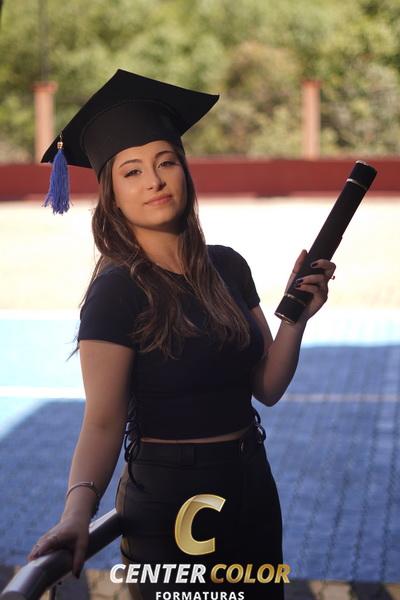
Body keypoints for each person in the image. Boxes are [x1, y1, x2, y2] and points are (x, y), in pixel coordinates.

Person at [27, 69, 336, 599]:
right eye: (132, 171)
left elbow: (267, 387)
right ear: (112, 195)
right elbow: (102, 422)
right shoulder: (117, 291)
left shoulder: (228, 266)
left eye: (166, 162)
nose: (154, 180)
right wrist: (77, 513)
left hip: (250, 483)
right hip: (172, 499)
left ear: (185, 172)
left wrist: (296, 320)